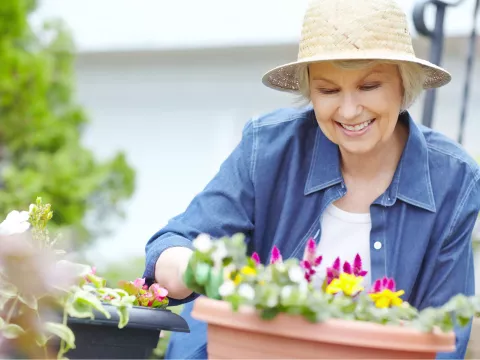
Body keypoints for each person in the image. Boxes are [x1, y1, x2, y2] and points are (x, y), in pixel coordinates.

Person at [143, 0, 480, 358]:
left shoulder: (453, 180)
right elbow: (173, 243)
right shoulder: (268, 147)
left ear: (403, 83)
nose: (349, 111)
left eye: (369, 86)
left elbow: (444, 338)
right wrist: (188, 266)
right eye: (328, 90)